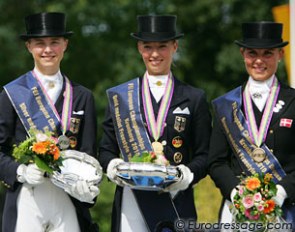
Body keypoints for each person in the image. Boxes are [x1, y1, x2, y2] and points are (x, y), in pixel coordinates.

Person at [98, 15, 211, 232]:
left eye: (162, 46)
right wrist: (112, 167)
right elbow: (106, 149)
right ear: (139, 48)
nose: (155, 54)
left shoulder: (194, 97)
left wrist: (186, 175)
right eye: (148, 47)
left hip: (176, 199)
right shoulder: (121, 97)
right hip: (132, 201)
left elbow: (205, 154)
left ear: (175, 46)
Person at [0, 12, 100, 232]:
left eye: (54, 42)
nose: (47, 50)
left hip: (68, 196)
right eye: (40, 43)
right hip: (28, 193)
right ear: (28, 46)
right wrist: (20, 172)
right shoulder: (12, 93)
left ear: (65, 44)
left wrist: (90, 187)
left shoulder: (83, 96)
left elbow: (89, 153)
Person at [208, 21, 295, 229]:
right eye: (252, 53)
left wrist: (281, 192)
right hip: (236, 211)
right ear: (242, 54)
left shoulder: (293, 101)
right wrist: (236, 193)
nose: (259, 60)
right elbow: (216, 162)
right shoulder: (226, 105)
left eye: (267, 53)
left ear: (280, 54)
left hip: (286, 209)